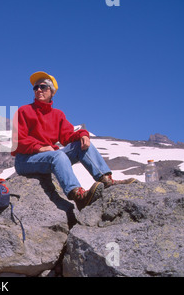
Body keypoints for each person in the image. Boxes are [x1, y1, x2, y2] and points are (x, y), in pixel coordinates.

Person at [11, 71, 136, 210]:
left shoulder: (58, 115)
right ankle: (77, 195)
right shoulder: (23, 111)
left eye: (43, 86)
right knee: (57, 155)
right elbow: (17, 141)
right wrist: (39, 148)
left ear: (52, 91)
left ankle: (106, 180)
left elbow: (68, 136)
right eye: (36, 87)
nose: (38, 90)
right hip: (25, 161)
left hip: (48, 157)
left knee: (82, 145)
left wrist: (83, 134)